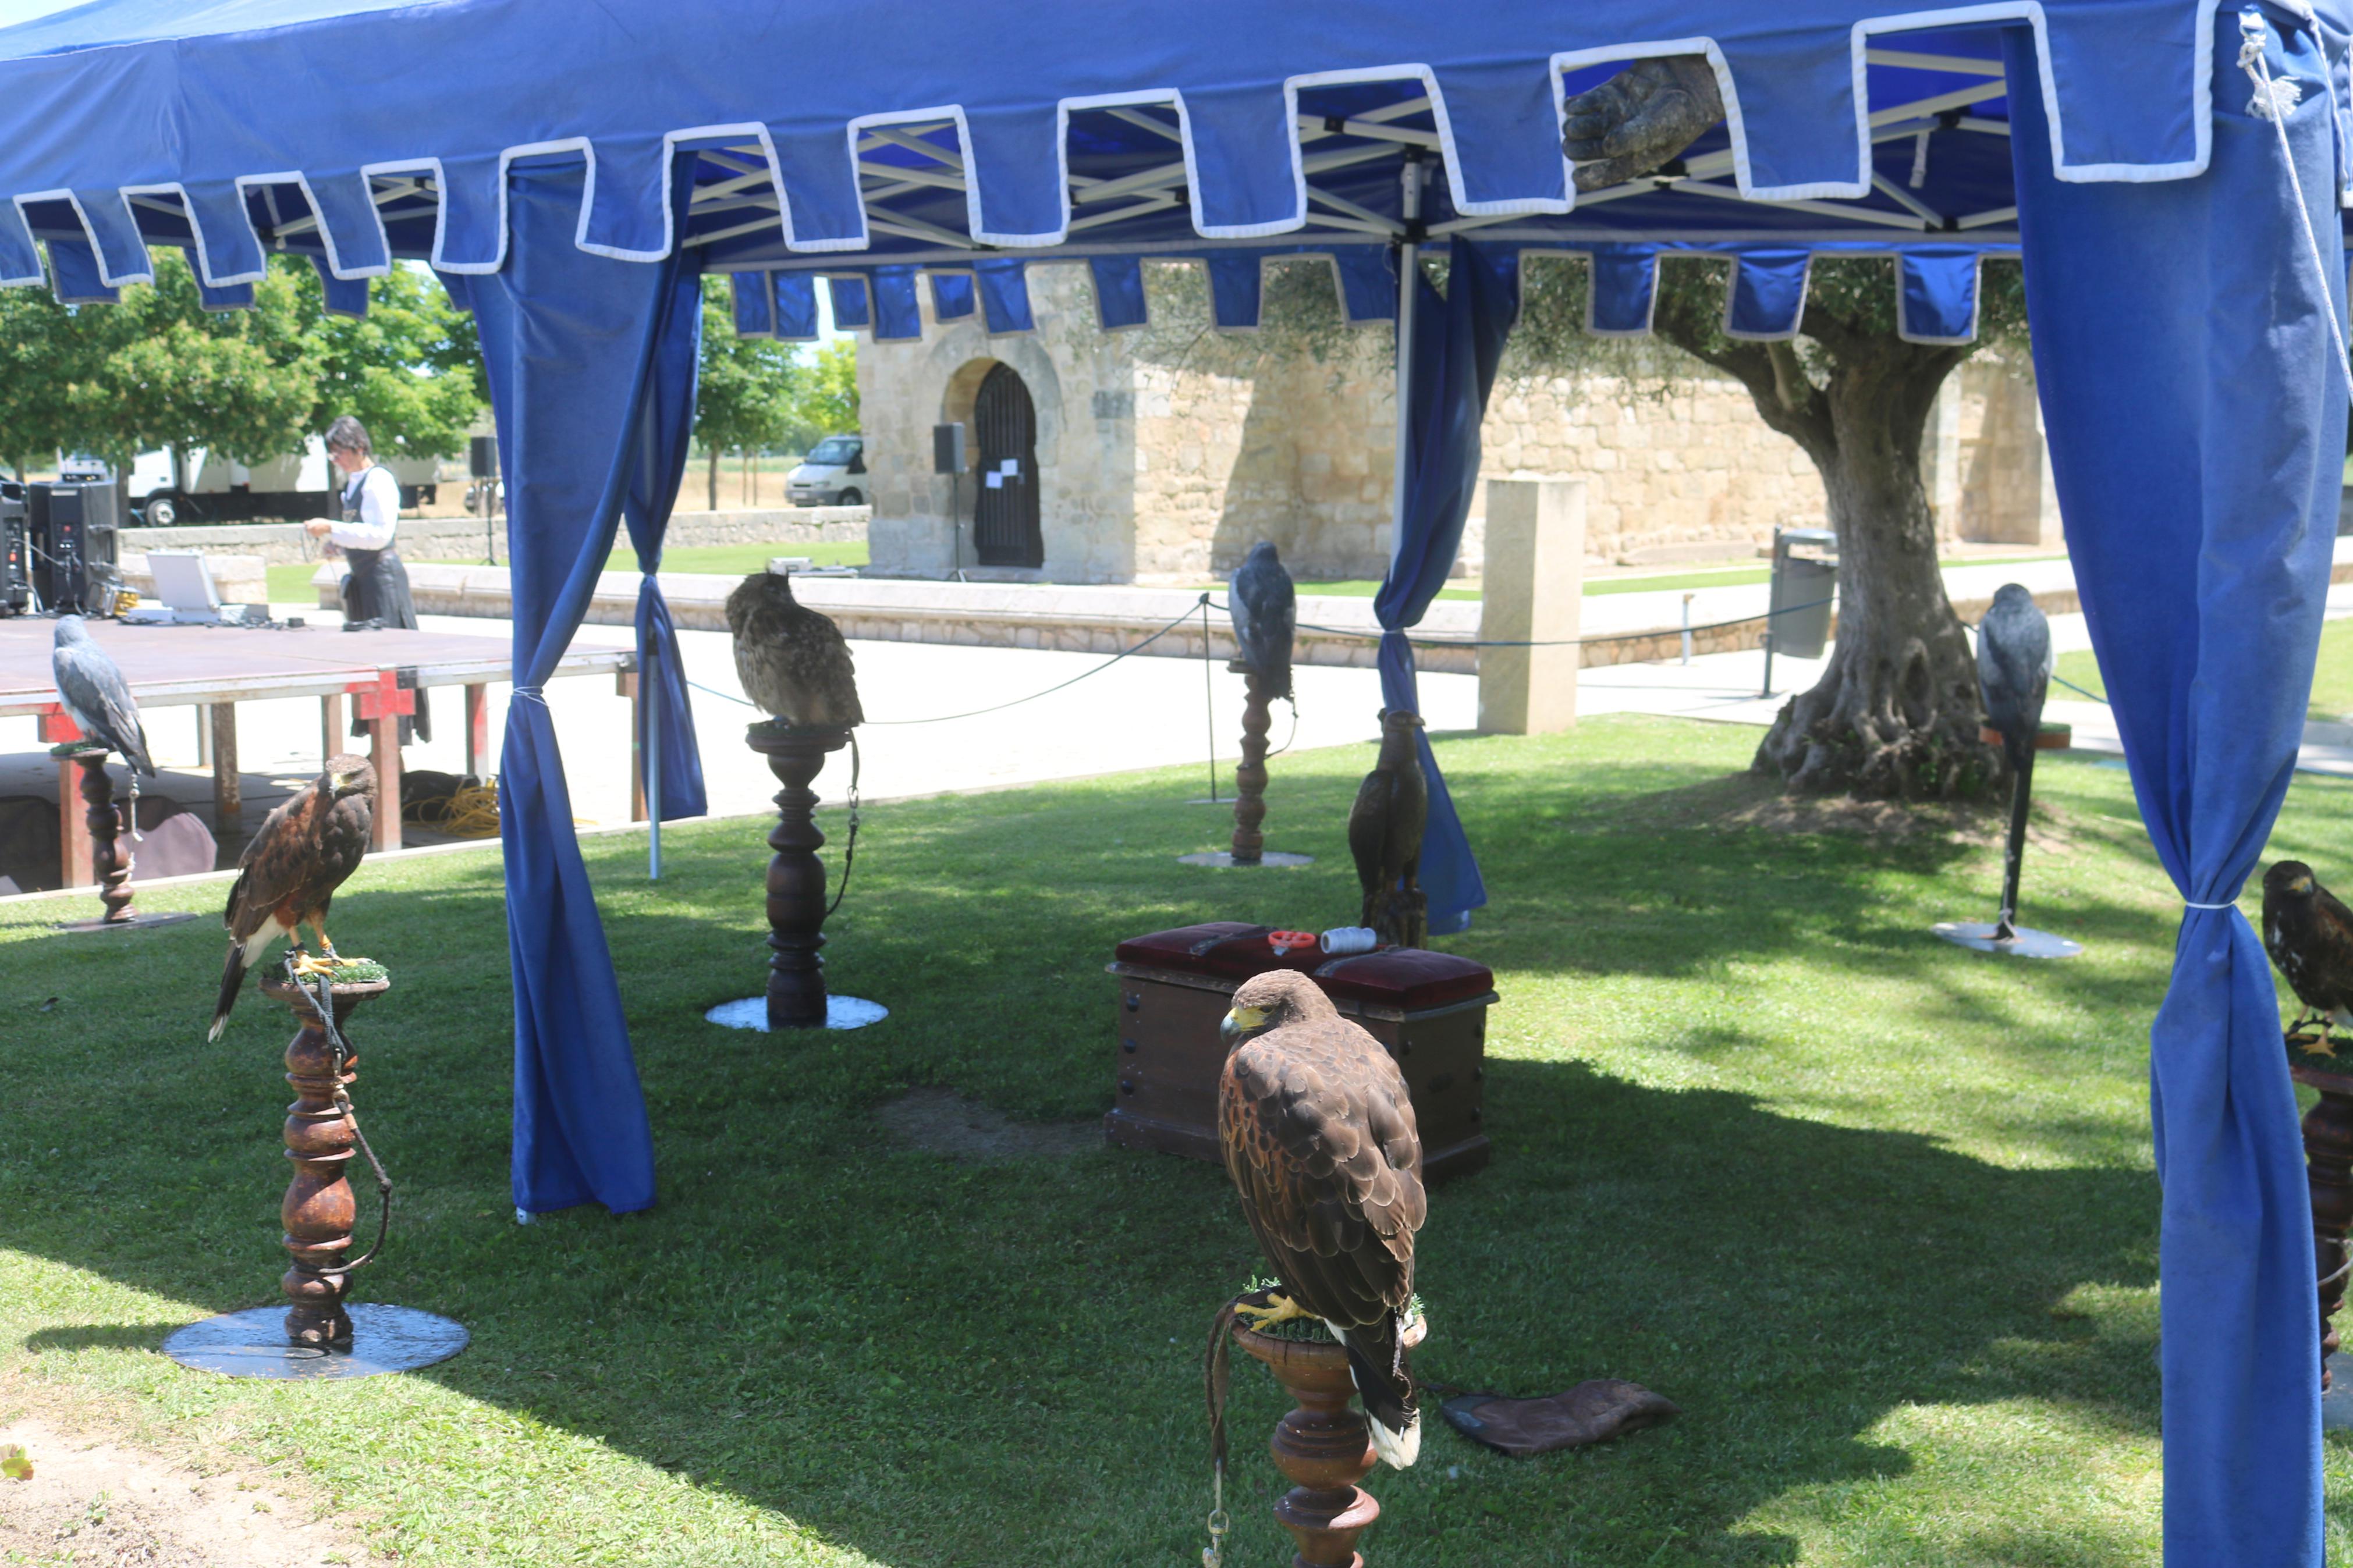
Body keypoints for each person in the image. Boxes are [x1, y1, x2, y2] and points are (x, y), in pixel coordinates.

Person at [304, 416, 430, 742]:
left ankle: (394, 746)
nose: (336, 460)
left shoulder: (379, 481)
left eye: (339, 452)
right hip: (364, 580)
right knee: (370, 664)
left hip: (383, 580)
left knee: (391, 666)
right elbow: (361, 534)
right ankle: (380, 743)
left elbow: (379, 535)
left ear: (358, 447)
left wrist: (333, 527)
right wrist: (337, 542)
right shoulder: (355, 483)